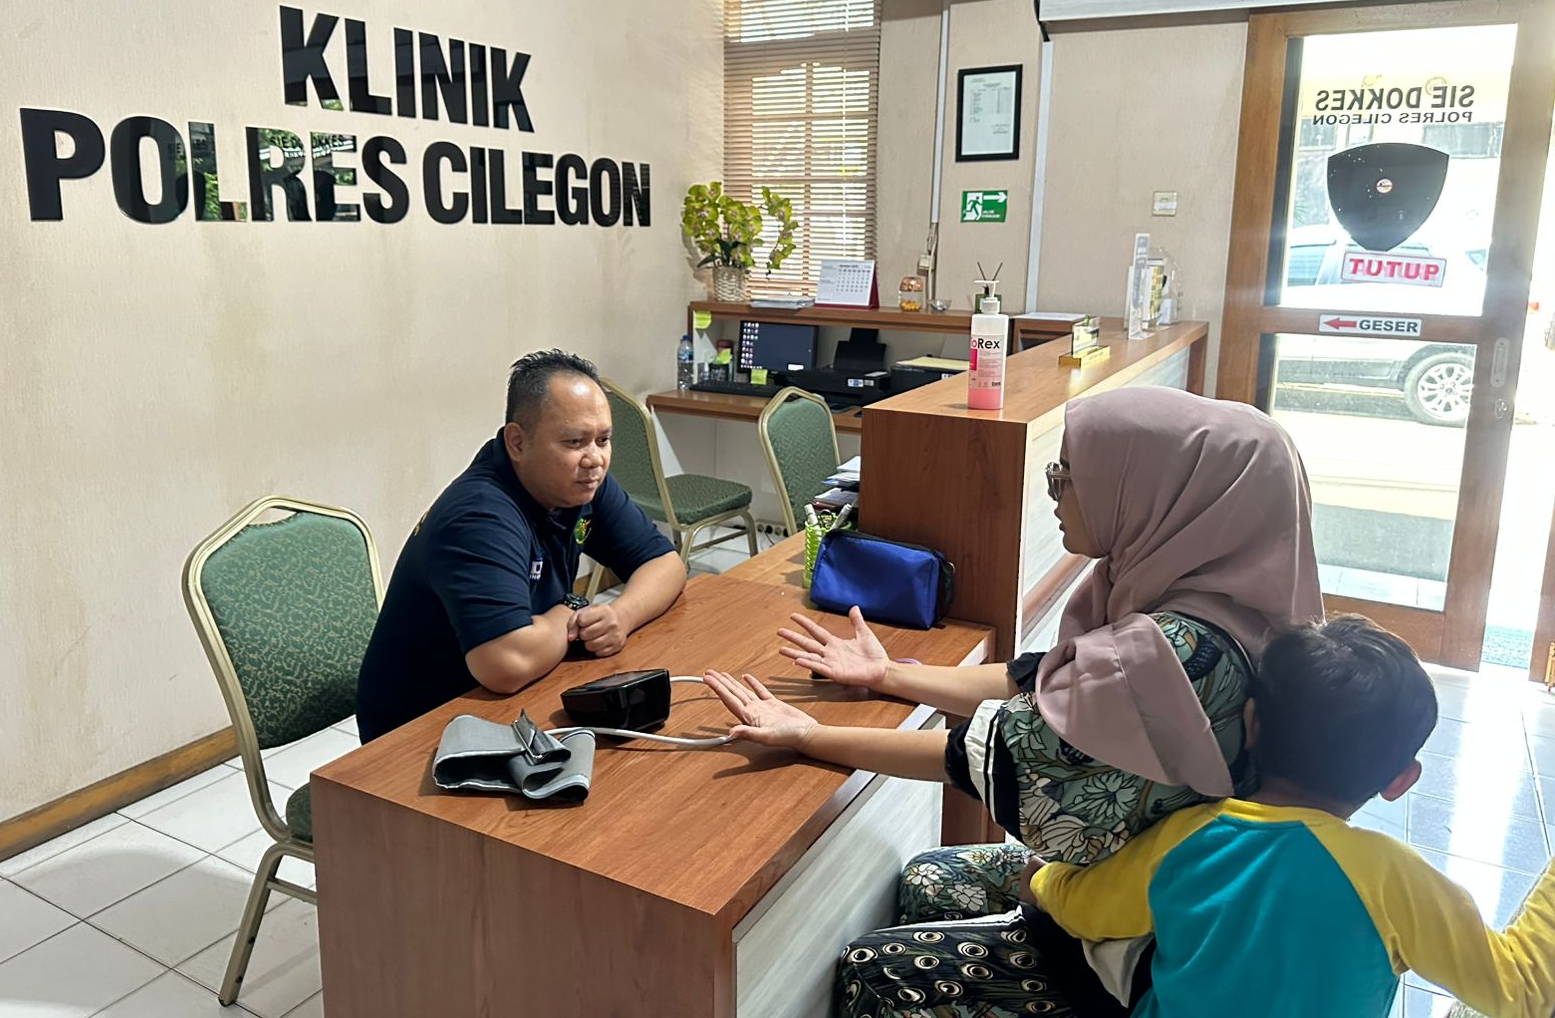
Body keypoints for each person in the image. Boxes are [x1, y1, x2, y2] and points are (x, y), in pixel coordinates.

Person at [703, 388, 1322, 1013]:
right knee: (929, 877)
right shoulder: (1227, 603)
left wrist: (808, 735)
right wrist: (890, 674)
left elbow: (987, 755)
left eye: (1069, 475)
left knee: (877, 971)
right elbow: (1042, 681)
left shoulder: (1179, 653)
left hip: (1146, 955)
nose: (1055, 492)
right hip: (1155, 889)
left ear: (1151, 489)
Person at [1002, 616, 1555, 1018]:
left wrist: (1043, 882)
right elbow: (1522, 991)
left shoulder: (1188, 836)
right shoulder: (1394, 880)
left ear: (1251, 724)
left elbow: (1088, 910)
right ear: (1400, 781)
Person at [356, 350, 684, 742]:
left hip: (506, 702)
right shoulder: (480, 515)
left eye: (603, 439)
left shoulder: (579, 484)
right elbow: (506, 664)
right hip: (417, 733)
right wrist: (572, 610)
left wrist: (621, 616)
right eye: (574, 441)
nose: (594, 459)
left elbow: (665, 563)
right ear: (517, 442)